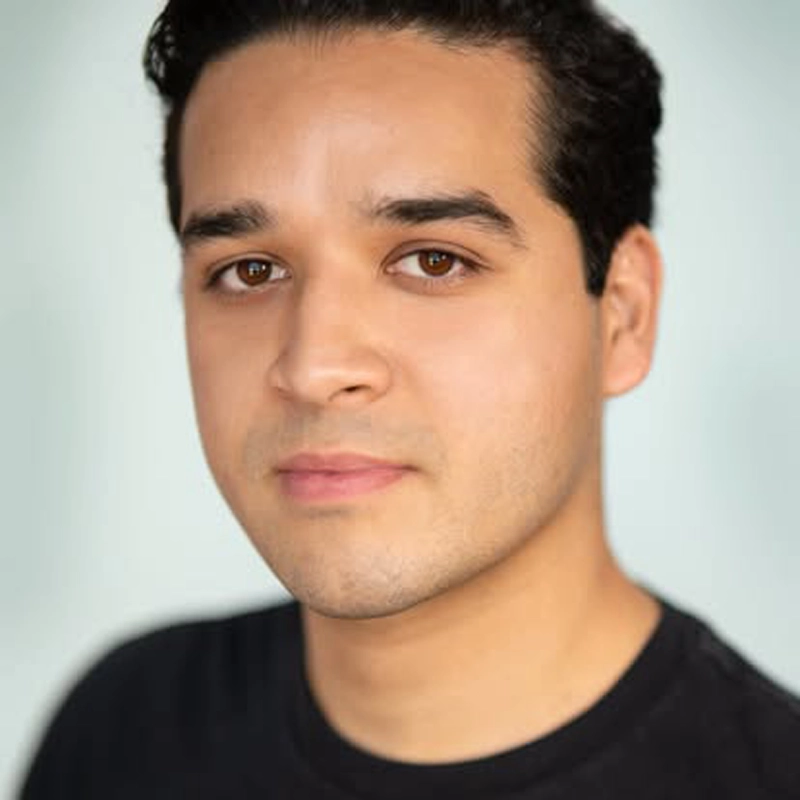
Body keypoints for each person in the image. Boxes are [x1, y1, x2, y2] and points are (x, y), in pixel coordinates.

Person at [19, 0, 800, 797]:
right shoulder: (123, 731)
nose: (313, 366)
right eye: (250, 271)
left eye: (433, 261)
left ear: (623, 314)